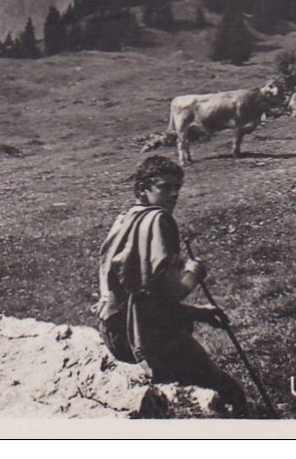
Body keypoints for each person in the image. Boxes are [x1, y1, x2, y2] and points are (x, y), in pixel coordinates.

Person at [95, 154, 251, 416]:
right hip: (147, 335)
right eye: (165, 187)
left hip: (116, 329)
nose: (173, 194)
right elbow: (168, 294)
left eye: (177, 188)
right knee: (228, 392)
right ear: (143, 189)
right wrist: (194, 274)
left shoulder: (126, 218)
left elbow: (146, 296)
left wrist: (198, 313)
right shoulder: (159, 220)